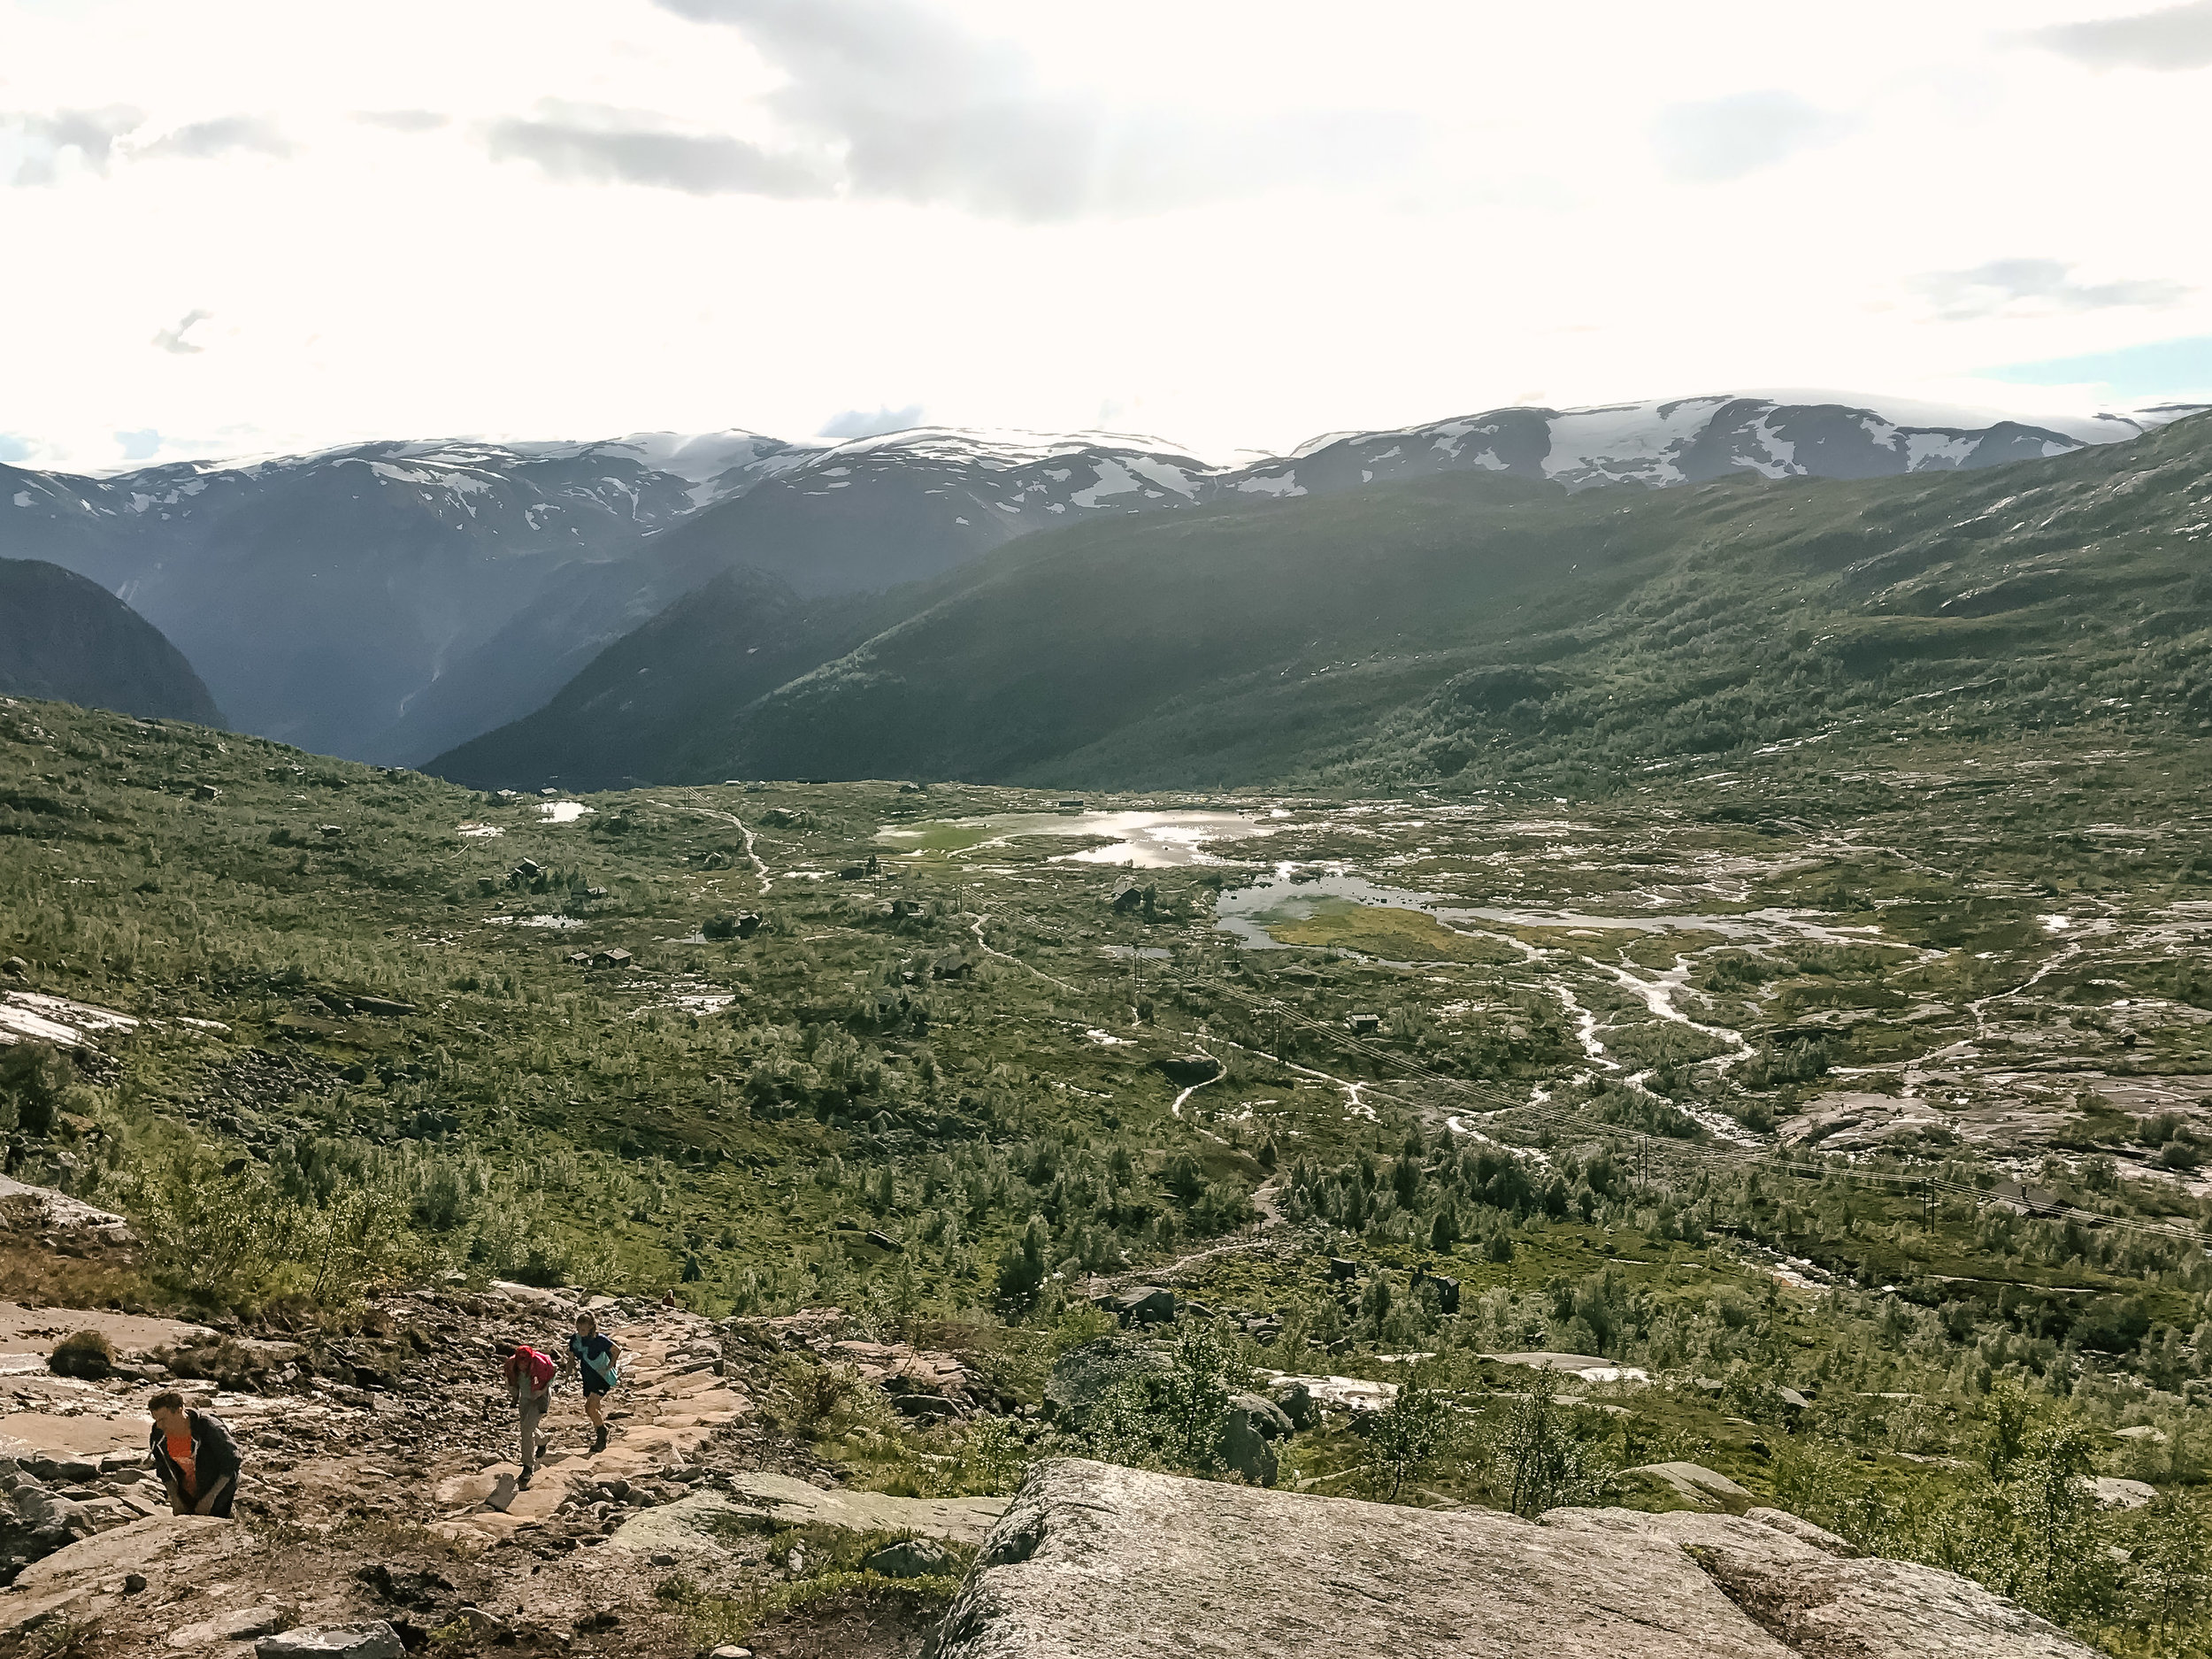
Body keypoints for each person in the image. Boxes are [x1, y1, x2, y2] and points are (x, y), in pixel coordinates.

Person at [148, 1391, 241, 1518]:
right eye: (156, 1420)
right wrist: (175, 1500)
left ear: (180, 1410)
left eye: (163, 1419)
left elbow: (232, 1462)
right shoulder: (158, 1435)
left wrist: (211, 1497)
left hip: (219, 1493)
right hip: (187, 1495)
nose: (159, 1425)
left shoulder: (209, 1427)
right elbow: (164, 1470)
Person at [498, 1340, 557, 1488]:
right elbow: (511, 1382)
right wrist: (514, 1396)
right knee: (527, 1427)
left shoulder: (540, 1365)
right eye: (520, 1361)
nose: (522, 1364)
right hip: (525, 1398)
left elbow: (552, 1376)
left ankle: (527, 1466)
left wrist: (541, 1391)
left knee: (525, 1430)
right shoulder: (512, 1366)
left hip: (540, 1398)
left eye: (525, 1361)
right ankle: (543, 1440)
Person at [563, 1312, 622, 1455]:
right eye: (578, 1329)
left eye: (583, 1330)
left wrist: (610, 1367)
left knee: (589, 1408)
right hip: (588, 1376)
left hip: (602, 1377)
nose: (580, 1332)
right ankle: (600, 1433)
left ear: (591, 1327)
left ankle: (602, 1433)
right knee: (594, 1406)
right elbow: (571, 1359)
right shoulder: (575, 1340)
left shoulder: (599, 1339)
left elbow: (616, 1350)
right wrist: (567, 1375)